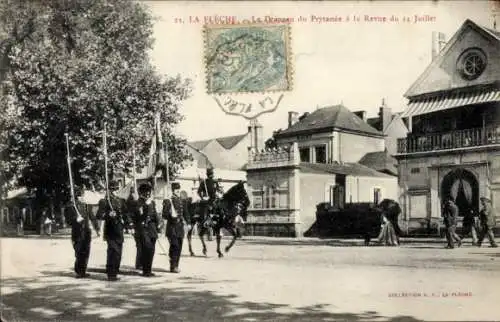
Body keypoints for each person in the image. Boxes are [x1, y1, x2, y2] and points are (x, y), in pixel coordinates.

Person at [96, 180, 129, 281]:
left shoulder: (121, 201)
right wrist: (108, 215)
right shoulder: (105, 201)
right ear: (109, 190)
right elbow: (99, 215)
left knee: (119, 252)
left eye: (116, 189)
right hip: (110, 230)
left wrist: (129, 226)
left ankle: (115, 270)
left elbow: (126, 214)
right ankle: (111, 273)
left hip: (119, 229)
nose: (115, 191)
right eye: (113, 189)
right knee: (112, 251)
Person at [129, 183, 160, 277]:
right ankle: (145, 271)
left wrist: (158, 225)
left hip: (152, 228)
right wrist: (146, 205)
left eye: (149, 192)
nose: (147, 194)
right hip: (142, 229)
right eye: (146, 192)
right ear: (141, 193)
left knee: (151, 250)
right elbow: (139, 216)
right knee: (146, 249)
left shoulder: (152, 202)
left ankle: (148, 269)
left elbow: (155, 215)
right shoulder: (137, 203)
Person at [69, 186, 100, 278]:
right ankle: (79, 271)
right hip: (77, 231)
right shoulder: (72, 206)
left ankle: (83, 270)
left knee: (86, 251)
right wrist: (75, 219)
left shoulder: (87, 205)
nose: (81, 197)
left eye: (82, 195)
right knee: (79, 251)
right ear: (76, 196)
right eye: (79, 195)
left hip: (86, 231)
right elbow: (68, 220)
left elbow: (92, 217)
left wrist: (97, 228)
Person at [163, 182, 191, 273]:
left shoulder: (182, 200)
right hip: (172, 227)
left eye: (178, 189)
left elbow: (186, 212)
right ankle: (173, 266)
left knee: (179, 247)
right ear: (173, 190)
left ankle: (176, 265)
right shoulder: (168, 201)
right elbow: (164, 215)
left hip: (180, 227)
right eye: (176, 189)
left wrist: (188, 223)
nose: (178, 191)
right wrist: (170, 214)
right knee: (174, 246)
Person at [198, 168, 222, 241]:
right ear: (208, 175)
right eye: (210, 174)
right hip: (207, 200)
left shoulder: (215, 182)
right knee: (206, 214)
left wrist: (219, 193)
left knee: (221, 211)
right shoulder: (203, 182)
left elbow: (218, 190)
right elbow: (199, 191)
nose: (211, 175)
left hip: (215, 200)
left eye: (211, 174)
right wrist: (203, 196)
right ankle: (208, 231)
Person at [126, 186, 142, 270]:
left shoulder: (138, 202)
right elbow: (128, 214)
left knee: (141, 245)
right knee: (139, 245)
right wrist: (131, 226)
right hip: (136, 227)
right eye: (134, 193)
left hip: (140, 226)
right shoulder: (131, 202)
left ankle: (141, 263)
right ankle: (139, 264)